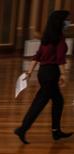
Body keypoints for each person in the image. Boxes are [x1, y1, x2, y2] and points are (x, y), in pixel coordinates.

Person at [15, 10, 73, 144]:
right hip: (51, 74)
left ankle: (56, 131)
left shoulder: (47, 38)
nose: (68, 22)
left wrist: (29, 73)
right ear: (59, 21)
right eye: (66, 19)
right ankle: (23, 129)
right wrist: (63, 75)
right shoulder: (58, 38)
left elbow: (37, 56)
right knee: (40, 102)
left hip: (43, 73)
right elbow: (60, 58)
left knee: (57, 101)